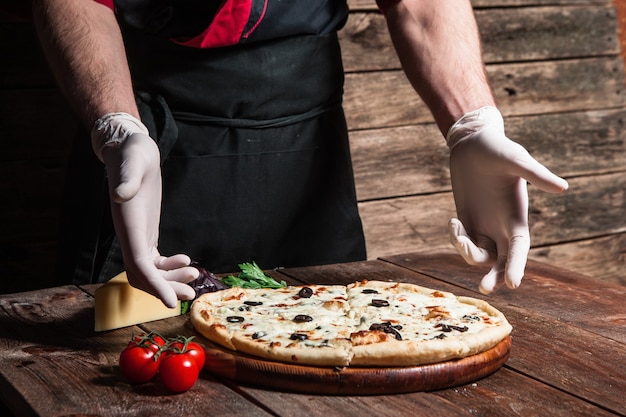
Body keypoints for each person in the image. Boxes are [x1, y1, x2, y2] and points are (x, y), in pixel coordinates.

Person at [31, 0, 568, 308]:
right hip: (149, 146)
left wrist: (472, 124)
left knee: (331, 339)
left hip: (306, 150)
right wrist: (119, 126)